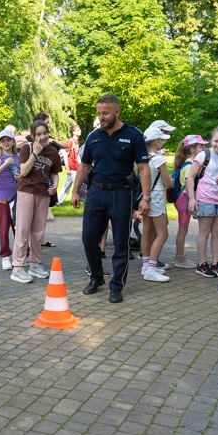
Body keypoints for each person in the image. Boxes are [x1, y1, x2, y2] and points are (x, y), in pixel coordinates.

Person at [71, 94, 151, 303]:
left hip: (121, 193)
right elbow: (84, 166)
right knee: (88, 237)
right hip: (96, 192)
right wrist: (75, 191)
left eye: (105, 113)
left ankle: (117, 286)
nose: (101, 117)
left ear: (117, 112)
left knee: (121, 241)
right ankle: (97, 278)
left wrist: (146, 198)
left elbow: (143, 168)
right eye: (99, 113)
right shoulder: (93, 137)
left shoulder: (134, 135)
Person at [11, 120, 61, 283]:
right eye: (38, 134)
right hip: (26, 190)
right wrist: (35, 153)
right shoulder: (27, 148)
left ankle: (34, 265)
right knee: (23, 229)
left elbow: (55, 173)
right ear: (32, 136)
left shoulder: (53, 151)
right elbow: (24, 170)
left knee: (38, 231)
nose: (42, 137)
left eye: (44, 133)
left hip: (43, 193)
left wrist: (55, 185)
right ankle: (17, 267)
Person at [188, 127, 218, 278]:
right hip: (205, 198)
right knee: (204, 232)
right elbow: (191, 177)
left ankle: (215, 263)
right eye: (216, 141)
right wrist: (192, 199)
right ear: (212, 140)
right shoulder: (203, 155)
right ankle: (202, 264)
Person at [140, 127, 173, 283]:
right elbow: (167, 182)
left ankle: (146, 265)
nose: (162, 142)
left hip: (145, 197)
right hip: (157, 197)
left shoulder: (142, 158)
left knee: (147, 232)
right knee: (162, 233)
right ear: (156, 141)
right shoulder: (159, 159)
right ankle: (151, 269)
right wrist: (170, 182)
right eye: (161, 140)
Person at [171, 134, 208, 269]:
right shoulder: (189, 166)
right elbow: (189, 183)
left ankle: (179, 257)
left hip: (184, 199)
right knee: (182, 229)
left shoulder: (189, 163)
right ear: (192, 149)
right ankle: (179, 258)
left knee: (184, 229)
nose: (204, 148)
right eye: (201, 146)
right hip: (184, 200)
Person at [0, 129, 20, 271]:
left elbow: (24, 174)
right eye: (3, 141)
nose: (6, 143)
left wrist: (21, 177)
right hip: (2, 199)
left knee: (19, 227)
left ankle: (22, 253)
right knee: (4, 227)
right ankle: (5, 256)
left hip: (18, 197)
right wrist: (5, 164)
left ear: (13, 142)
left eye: (9, 140)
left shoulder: (19, 157)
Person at [57, 124, 81, 205]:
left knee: (66, 185)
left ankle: (58, 201)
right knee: (78, 184)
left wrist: (81, 164)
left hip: (75, 168)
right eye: (78, 130)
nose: (80, 131)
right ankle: (83, 200)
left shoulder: (76, 142)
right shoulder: (70, 142)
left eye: (80, 130)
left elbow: (76, 155)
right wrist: (67, 169)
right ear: (73, 132)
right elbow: (65, 155)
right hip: (71, 168)